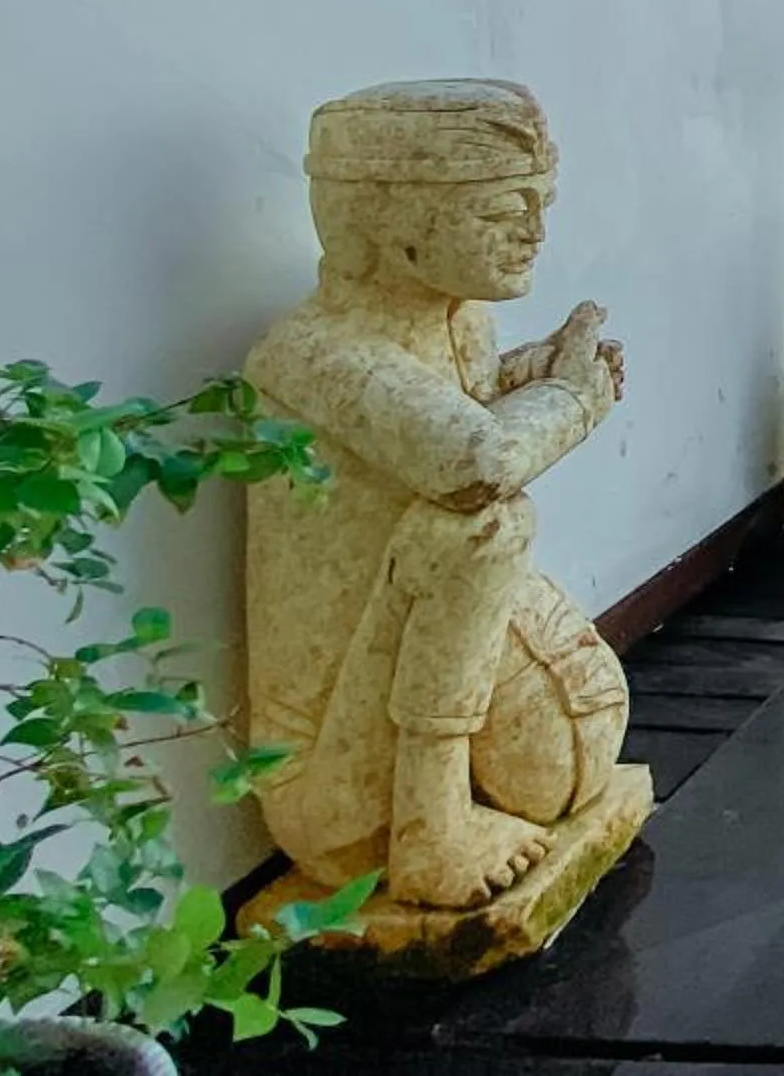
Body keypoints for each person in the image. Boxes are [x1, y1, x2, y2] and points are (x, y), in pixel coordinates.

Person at [244, 80, 630, 913]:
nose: (534, 231)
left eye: (540, 203)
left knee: (480, 524)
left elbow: (460, 415)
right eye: (502, 211)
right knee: (486, 525)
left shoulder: (460, 325)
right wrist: (572, 401)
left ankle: (454, 806)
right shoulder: (311, 352)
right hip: (337, 790)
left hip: (415, 710)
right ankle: (432, 833)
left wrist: (531, 373)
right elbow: (473, 461)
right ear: (387, 223)